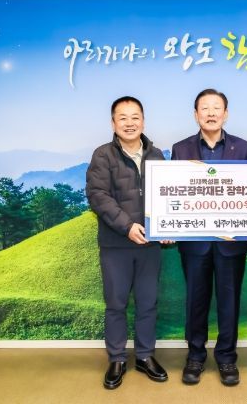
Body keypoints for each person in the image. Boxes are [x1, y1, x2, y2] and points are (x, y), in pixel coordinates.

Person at [86, 96, 168, 390]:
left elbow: (168, 196)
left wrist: (168, 226)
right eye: (123, 117)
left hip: (150, 245)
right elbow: (98, 196)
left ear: (143, 121)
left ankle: (145, 356)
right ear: (113, 123)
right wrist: (127, 226)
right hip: (116, 245)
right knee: (116, 304)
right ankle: (117, 359)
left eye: (135, 117)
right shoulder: (102, 155)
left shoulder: (157, 155)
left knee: (148, 303)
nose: (130, 123)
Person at [171, 89, 247, 386]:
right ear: (196, 115)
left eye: (216, 107)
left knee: (229, 302)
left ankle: (227, 358)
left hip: (231, 242)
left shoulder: (244, 148)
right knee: (196, 301)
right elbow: (173, 191)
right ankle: (195, 356)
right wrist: (166, 227)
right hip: (194, 242)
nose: (211, 113)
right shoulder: (180, 149)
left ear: (226, 114)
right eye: (204, 108)